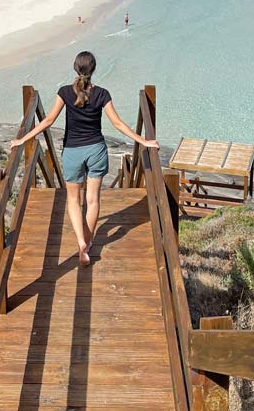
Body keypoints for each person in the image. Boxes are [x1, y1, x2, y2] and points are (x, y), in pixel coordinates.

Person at [9, 50, 158, 267]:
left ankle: (80, 242)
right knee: (93, 200)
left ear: (75, 68)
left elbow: (49, 120)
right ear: (94, 69)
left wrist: (22, 139)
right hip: (96, 150)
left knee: (73, 200)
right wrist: (143, 141)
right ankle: (87, 245)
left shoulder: (65, 92)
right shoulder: (103, 94)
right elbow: (117, 124)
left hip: (73, 152)